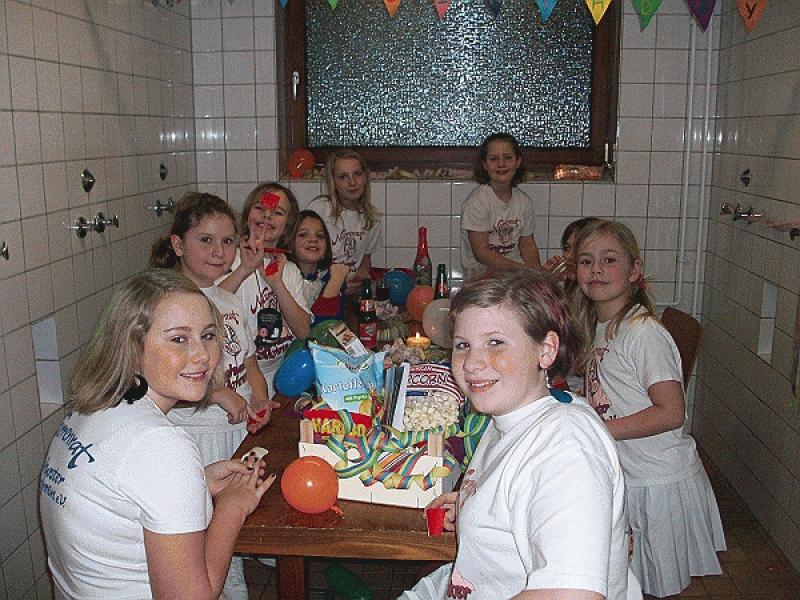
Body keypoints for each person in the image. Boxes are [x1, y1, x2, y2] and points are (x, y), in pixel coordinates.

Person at [401, 269, 641, 600]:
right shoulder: (513, 412)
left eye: (495, 342)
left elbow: (573, 595)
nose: (472, 363)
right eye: (462, 345)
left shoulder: (566, 447)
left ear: (546, 350)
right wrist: (479, 507)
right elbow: (528, 488)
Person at [39, 269, 275, 600]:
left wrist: (197, 482)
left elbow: (118, 504)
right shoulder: (161, 445)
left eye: (208, 335)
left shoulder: (91, 411)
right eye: (179, 339)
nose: (203, 355)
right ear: (132, 347)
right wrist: (232, 507)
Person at [574, 219, 725, 598]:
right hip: (634, 474)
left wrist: (596, 429)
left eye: (609, 260)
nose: (596, 269)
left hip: (658, 482)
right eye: (586, 261)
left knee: (656, 587)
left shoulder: (644, 333)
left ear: (634, 270)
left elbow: (671, 412)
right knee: (632, 584)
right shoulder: (604, 324)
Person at [150, 192, 280, 599]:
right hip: (197, 437)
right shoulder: (170, 303)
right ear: (178, 245)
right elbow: (159, 376)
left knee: (233, 520)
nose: (219, 251)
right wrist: (219, 393)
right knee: (205, 534)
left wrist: (259, 399)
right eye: (205, 240)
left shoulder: (227, 298)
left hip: (234, 433)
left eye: (226, 241)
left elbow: (250, 361)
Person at [220, 182, 313, 391]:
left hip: (279, 376)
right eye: (259, 208)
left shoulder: (290, 270)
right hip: (235, 379)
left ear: (287, 225)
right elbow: (208, 306)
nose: (267, 215)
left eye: (277, 212)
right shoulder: (228, 259)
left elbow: (304, 331)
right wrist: (244, 269)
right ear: (247, 216)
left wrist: (277, 284)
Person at [460, 133, 542, 280]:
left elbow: (527, 244)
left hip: (515, 277)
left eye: (508, 157)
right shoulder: (477, 201)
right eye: (493, 159)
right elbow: (482, 253)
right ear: (484, 165)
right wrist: (524, 270)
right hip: (481, 279)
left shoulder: (524, 201)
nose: (501, 164)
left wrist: (537, 275)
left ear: (518, 162)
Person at [307, 149, 382, 295]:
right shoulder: (320, 209)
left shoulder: (372, 217)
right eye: (343, 177)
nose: (352, 182)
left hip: (351, 292)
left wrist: (362, 274)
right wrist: (335, 285)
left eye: (357, 174)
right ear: (333, 182)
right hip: (320, 291)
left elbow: (366, 257)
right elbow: (303, 256)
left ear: (365, 177)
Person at [289, 208, 350, 324]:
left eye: (320, 236)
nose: (313, 239)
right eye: (303, 235)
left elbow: (331, 326)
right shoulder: (284, 278)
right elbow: (311, 330)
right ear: (289, 242)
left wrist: (335, 281)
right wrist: (334, 284)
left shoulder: (331, 276)